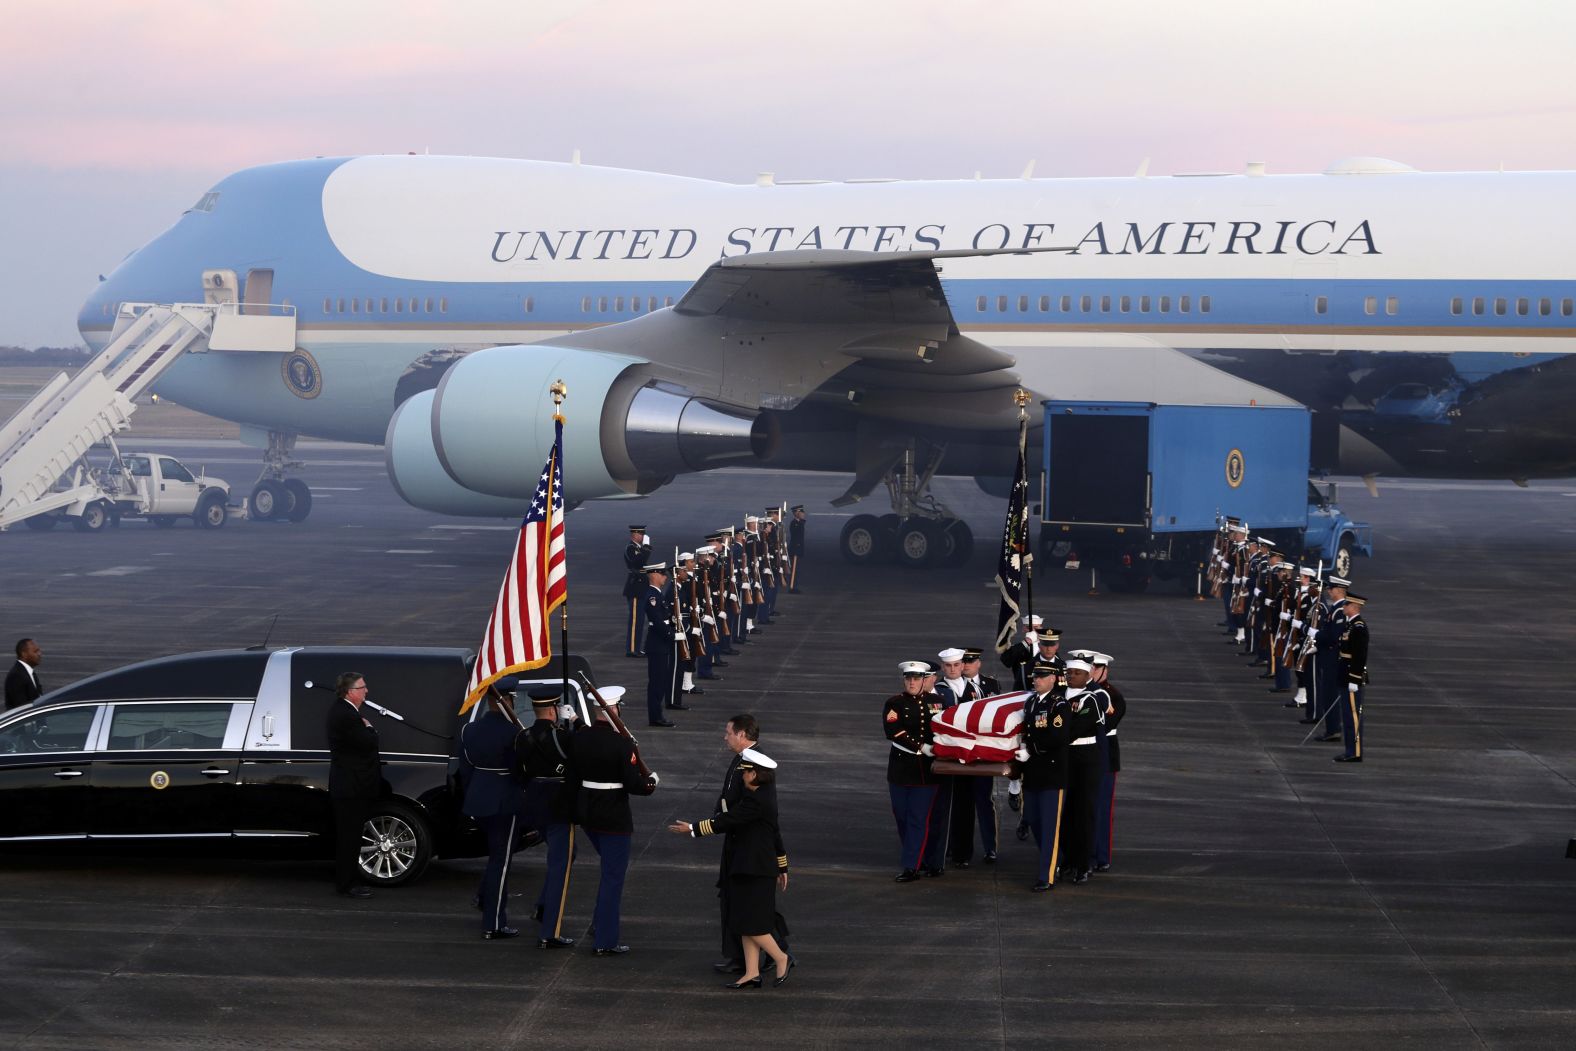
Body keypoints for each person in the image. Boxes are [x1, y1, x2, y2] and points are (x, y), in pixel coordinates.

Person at [671, 748, 793, 989]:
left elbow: (728, 820)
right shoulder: (761, 795)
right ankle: (751, 972)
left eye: (746, 772)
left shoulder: (757, 801)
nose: (743, 776)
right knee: (743, 921)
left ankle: (782, 957)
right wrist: (783, 864)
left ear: (757, 774)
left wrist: (693, 829)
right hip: (748, 866)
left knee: (751, 922)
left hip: (755, 869)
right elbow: (774, 833)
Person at [568, 694, 659, 955]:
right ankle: (606, 940)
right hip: (613, 817)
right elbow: (634, 785)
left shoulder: (581, 737)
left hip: (587, 812)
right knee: (612, 877)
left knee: (609, 871)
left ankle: (600, 922)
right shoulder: (622, 743)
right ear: (614, 708)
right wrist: (651, 782)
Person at [458, 684, 529, 939]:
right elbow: (520, 773)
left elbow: (465, 772)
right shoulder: (513, 733)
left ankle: (483, 897)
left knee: (496, 855)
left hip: (479, 800)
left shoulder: (470, 730)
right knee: (501, 859)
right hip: (505, 802)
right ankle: (494, 923)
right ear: (507, 700)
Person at [515, 685, 578, 948]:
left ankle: (542, 907)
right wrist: (575, 722)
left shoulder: (523, 736)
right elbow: (580, 754)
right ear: (554, 710)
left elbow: (520, 771)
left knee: (564, 857)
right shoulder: (561, 736)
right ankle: (550, 932)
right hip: (559, 805)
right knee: (560, 867)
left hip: (534, 804)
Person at [884, 661, 941, 882]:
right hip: (901, 769)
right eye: (908, 679)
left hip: (926, 772)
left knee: (918, 818)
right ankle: (923, 858)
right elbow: (893, 731)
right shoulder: (894, 703)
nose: (912, 682)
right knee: (902, 817)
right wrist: (920, 746)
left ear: (924, 679)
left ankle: (912, 866)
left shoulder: (937, 702)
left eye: (916, 679)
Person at [326, 671, 381, 899]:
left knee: (350, 835)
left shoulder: (344, 711)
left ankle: (348, 880)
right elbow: (368, 743)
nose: (366, 691)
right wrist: (369, 728)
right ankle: (347, 883)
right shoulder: (347, 716)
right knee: (349, 837)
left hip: (349, 785)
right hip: (350, 787)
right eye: (362, 687)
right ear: (350, 692)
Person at [713, 713, 759, 974]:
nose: (725, 737)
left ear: (742, 735)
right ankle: (735, 955)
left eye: (729, 732)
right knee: (730, 898)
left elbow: (749, 808)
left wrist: (708, 826)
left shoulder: (754, 763)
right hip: (734, 840)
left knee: (746, 904)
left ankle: (771, 954)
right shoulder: (741, 758)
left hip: (745, 844)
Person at [1018, 660, 1070, 891]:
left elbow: (1057, 737)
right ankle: (1056, 859)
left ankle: (1046, 876)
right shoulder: (1030, 702)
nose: (1035, 679)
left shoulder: (1059, 705)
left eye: (1040, 676)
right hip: (1032, 773)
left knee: (1049, 826)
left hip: (1050, 773)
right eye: (1034, 676)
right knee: (1033, 819)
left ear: (1052, 679)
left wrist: (1031, 750)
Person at [1059, 657, 1105, 884]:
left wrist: (1051, 737)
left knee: (1084, 812)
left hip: (1085, 759)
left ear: (1088, 676)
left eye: (1077, 673)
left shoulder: (1091, 700)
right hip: (1063, 757)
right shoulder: (1058, 697)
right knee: (1065, 813)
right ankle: (1067, 859)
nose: (1071, 676)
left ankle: (1083, 863)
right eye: (1069, 672)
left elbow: (1075, 728)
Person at [1088, 652, 1125, 873]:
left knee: (1101, 809)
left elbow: (1104, 724)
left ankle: (1101, 855)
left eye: (1095, 668)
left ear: (1105, 670)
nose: (1091, 672)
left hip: (1105, 757)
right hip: (1083, 755)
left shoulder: (1113, 696)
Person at [1335, 593, 1370, 763]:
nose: (1344, 607)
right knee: (1347, 717)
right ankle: (1350, 750)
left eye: (1346, 604)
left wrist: (1354, 679)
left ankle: (1354, 752)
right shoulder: (1350, 625)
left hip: (1351, 677)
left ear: (1354, 606)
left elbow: (1359, 656)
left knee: (1353, 717)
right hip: (1345, 676)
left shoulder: (1359, 627)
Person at [642, 562, 677, 726]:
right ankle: (655, 717)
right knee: (656, 682)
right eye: (662, 574)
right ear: (654, 575)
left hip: (660, 643)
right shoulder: (652, 596)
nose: (665, 577)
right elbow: (656, 621)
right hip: (657, 643)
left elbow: (665, 617)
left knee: (660, 681)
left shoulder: (657, 594)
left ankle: (657, 715)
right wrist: (672, 634)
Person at [623, 525, 652, 657]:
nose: (642, 536)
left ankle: (637, 647)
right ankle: (632, 649)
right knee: (635, 620)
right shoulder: (631, 548)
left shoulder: (638, 548)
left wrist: (644, 548)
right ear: (634, 534)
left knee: (640, 620)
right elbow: (639, 562)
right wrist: (646, 548)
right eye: (640, 534)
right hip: (635, 587)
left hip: (641, 587)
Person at [5, 638, 43, 710]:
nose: (39, 654)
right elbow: (21, 708)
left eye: (39, 651)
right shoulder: (16, 676)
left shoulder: (29, 672)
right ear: (24, 654)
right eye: (35, 651)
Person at [787, 505, 806, 593]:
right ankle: (792, 587)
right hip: (795, 549)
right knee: (794, 569)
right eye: (801, 512)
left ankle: (794, 586)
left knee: (797, 569)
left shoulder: (800, 523)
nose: (803, 514)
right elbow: (795, 538)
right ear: (796, 513)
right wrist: (796, 550)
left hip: (798, 549)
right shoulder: (794, 523)